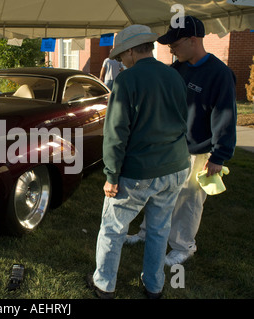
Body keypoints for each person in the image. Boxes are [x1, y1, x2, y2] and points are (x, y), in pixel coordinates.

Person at [87, 24, 190, 299]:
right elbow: (183, 120)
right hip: (177, 166)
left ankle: (104, 285)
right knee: (159, 230)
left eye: (122, 56)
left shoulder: (126, 80)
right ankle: (154, 287)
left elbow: (115, 133)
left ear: (132, 51)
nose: (121, 61)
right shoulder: (174, 76)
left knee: (113, 228)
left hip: (140, 171)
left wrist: (111, 176)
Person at [125, 16, 237, 267]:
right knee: (158, 193)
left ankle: (183, 246)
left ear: (192, 40)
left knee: (188, 199)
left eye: (175, 44)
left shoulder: (220, 74)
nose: (170, 49)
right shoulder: (177, 68)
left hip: (198, 150)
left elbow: (225, 115)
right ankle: (146, 233)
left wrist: (219, 156)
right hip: (169, 146)